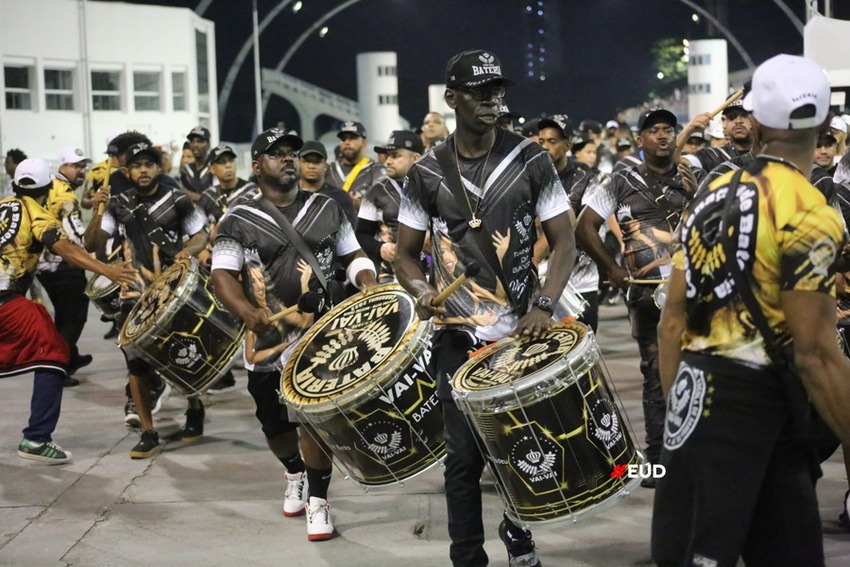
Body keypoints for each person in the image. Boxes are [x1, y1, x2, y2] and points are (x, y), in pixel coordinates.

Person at [653, 53, 850, 566]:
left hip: (695, 403)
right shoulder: (811, 212)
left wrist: (683, 418)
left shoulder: (710, 194)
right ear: (826, 122)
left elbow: (671, 321)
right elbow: (815, 355)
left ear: (757, 123)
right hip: (768, 419)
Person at [394, 49, 576, 567]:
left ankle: (518, 531)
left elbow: (564, 243)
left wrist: (543, 304)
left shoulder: (530, 159)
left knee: (528, 445)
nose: (493, 100)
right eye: (480, 92)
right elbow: (407, 256)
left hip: (522, 331)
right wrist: (421, 290)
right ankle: (467, 557)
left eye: (499, 91)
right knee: (463, 459)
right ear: (452, 99)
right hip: (458, 336)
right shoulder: (426, 172)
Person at [210, 127, 378, 541]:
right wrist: (247, 310)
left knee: (314, 420)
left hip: (321, 334)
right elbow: (222, 275)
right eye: (277, 154)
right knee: (274, 426)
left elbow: (352, 254)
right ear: (256, 166)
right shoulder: (238, 218)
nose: (288, 159)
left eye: (293, 152)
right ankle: (294, 472)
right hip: (266, 341)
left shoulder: (327, 207)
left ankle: (319, 502)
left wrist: (368, 280)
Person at [575, 107, 700, 486]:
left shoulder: (694, 177)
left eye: (669, 130)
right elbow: (585, 226)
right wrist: (611, 269)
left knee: (698, 369)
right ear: (641, 138)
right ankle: (660, 460)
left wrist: (697, 196)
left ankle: (695, 454)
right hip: (646, 297)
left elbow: (716, 223)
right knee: (654, 371)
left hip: (695, 292)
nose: (663, 136)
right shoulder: (619, 180)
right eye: (654, 130)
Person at [1, 158, 136, 463]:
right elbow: (67, 247)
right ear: (49, 186)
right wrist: (106, 269)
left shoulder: (3, 205)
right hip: (5, 300)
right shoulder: (37, 213)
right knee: (54, 352)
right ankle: (36, 439)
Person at [85, 143, 208, 458]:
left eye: (148, 165)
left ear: (158, 168)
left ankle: (194, 407)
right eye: (136, 165)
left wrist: (187, 251)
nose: (142, 170)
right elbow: (92, 243)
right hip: (133, 294)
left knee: (183, 354)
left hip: (173, 291)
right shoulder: (117, 203)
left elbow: (201, 235)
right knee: (135, 365)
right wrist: (97, 211)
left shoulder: (177, 199)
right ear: (127, 171)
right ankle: (148, 431)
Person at [535, 114, 601, 330]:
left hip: (581, 280)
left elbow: (579, 225)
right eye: (541, 141)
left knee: (584, 353)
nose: (545, 147)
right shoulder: (530, 177)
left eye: (552, 142)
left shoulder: (586, 178)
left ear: (568, 145)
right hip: (541, 283)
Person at [36, 147, 94, 387]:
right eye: (76, 166)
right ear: (63, 167)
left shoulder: (50, 186)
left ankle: (69, 357)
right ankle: (57, 369)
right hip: (63, 265)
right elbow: (78, 238)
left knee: (63, 314)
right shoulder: (65, 196)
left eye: (83, 166)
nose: (81, 171)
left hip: (44, 265)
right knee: (73, 317)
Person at [356, 130, 423, 283]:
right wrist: (380, 248)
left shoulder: (434, 188)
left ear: (416, 158)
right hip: (391, 278)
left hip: (432, 274)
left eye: (395, 156)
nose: (387, 161)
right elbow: (361, 235)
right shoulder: (375, 192)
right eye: (387, 156)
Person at [682, 99, 754, 173]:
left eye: (745, 115)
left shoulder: (765, 155)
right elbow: (675, 164)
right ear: (724, 123)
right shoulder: (712, 155)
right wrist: (687, 130)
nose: (738, 121)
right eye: (732, 116)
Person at [326, 121, 385, 210]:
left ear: (364, 143)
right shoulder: (328, 169)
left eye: (352, 138)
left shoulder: (376, 170)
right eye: (343, 139)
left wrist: (361, 206)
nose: (347, 142)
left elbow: (385, 205)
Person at [297, 140, 357, 226]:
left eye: (317, 162)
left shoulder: (340, 197)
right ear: (298, 163)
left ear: (325, 165)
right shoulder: (287, 195)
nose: (311, 166)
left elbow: (349, 234)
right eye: (306, 161)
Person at [179, 125, 212, 201]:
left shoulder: (214, 167)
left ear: (208, 144)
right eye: (192, 141)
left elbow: (216, 199)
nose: (195, 145)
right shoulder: (186, 170)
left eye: (199, 141)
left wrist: (189, 194)